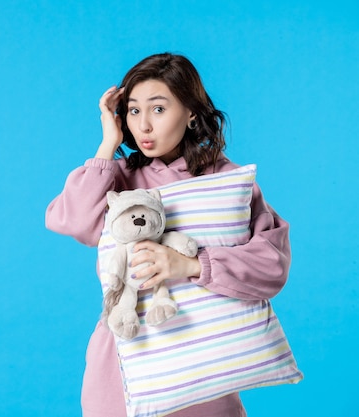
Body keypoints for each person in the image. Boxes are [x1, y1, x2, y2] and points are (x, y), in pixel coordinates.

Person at [45, 53, 290, 417]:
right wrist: (107, 144)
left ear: (191, 112)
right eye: (133, 110)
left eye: (158, 109)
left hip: (203, 364)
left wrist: (191, 264)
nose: (143, 125)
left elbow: (271, 266)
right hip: (123, 365)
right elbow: (77, 221)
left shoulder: (224, 181)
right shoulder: (119, 177)